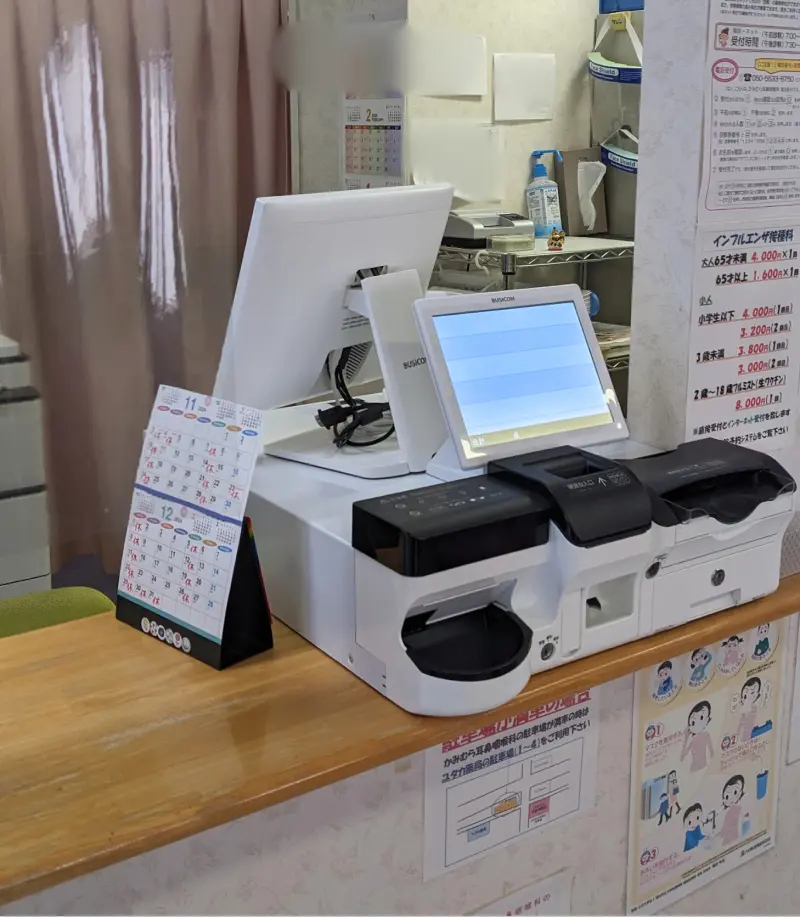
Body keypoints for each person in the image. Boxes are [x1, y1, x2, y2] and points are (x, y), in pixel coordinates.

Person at [680, 701, 714, 773]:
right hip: (694, 769)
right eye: (693, 721)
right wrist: (686, 738)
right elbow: (682, 758)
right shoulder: (692, 740)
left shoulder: (706, 735)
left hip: (703, 767)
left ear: (707, 720)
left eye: (701, 718)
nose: (697, 723)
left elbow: (712, 753)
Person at [719, 774, 745, 846]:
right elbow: (724, 829)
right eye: (727, 796)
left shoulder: (738, 810)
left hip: (734, 842)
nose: (731, 798)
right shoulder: (728, 812)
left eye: (735, 792)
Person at [737, 677, 761, 744]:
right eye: (745, 695)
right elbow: (740, 723)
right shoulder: (742, 711)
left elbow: (752, 719)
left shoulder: (754, 708)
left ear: (757, 695)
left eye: (752, 692)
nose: (748, 696)